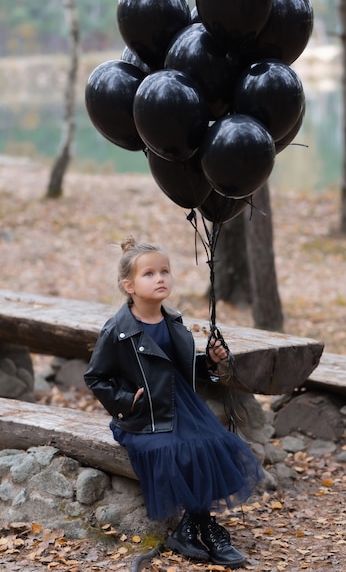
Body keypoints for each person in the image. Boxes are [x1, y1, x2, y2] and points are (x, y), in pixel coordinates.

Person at [84, 236, 263, 568]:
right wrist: (126, 401)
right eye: (149, 274)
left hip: (181, 405)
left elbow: (178, 370)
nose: (160, 278)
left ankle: (193, 527)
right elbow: (95, 377)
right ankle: (205, 528)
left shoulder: (174, 323)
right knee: (176, 450)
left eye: (164, 271)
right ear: (129, 286)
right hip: (144, 415)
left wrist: (207, 361)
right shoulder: (118, 331)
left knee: (214, 443)